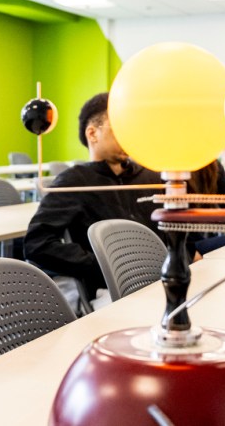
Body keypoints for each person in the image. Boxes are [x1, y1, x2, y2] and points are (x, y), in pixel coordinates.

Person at [23, 92, 162, 298]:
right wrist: (103, 264)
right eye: (119, 129)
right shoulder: (75, 182)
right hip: (111, 291)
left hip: (162, 281)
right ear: (92, 134)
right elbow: (37, 244)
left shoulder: (149, 176)